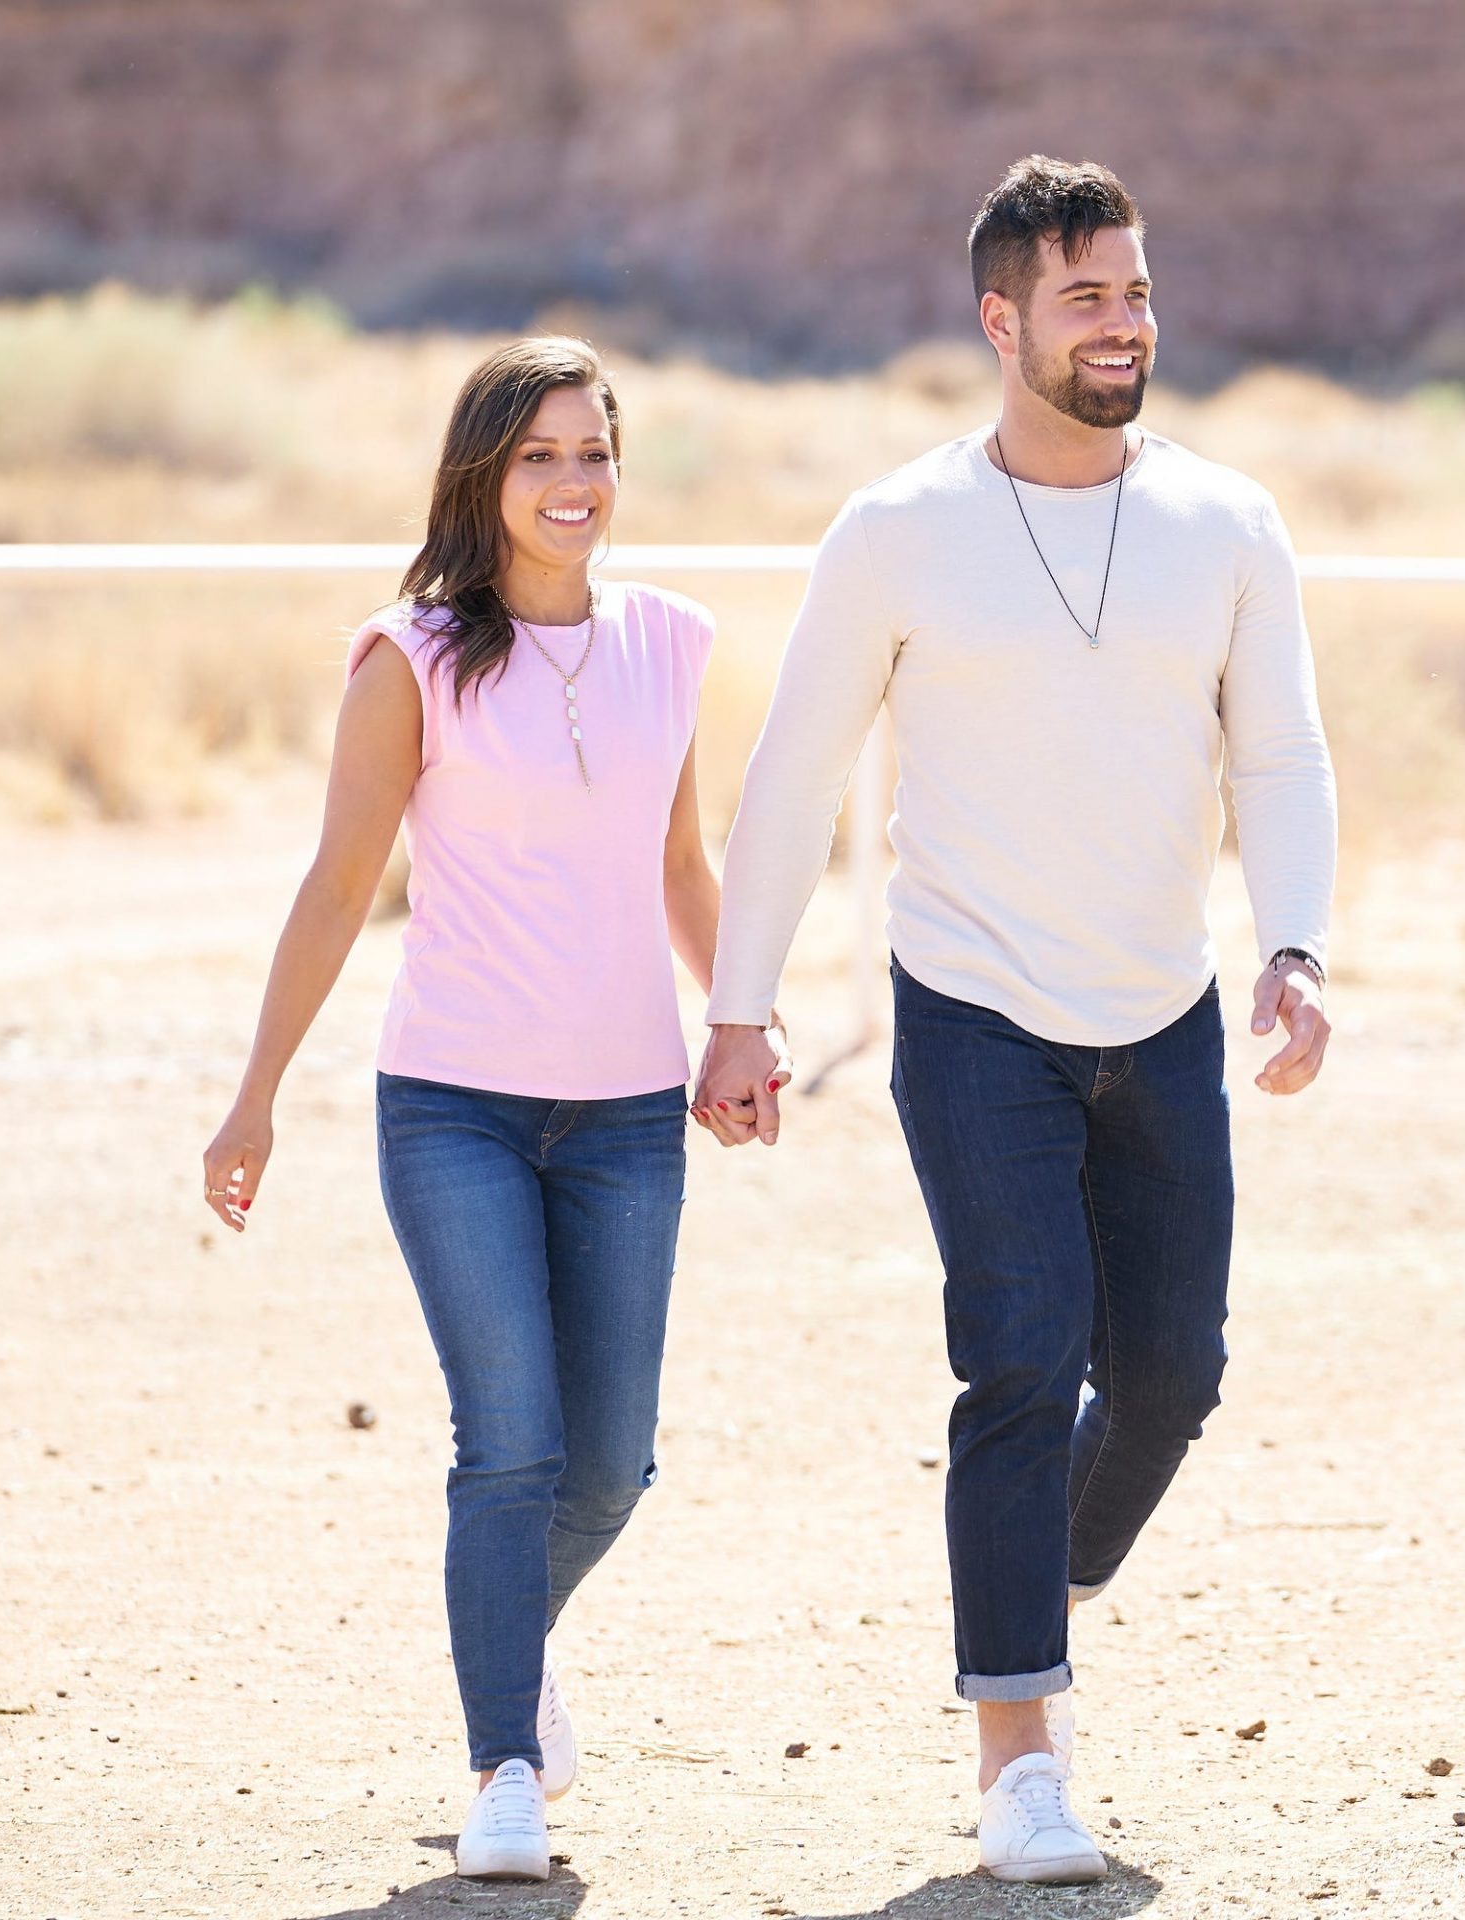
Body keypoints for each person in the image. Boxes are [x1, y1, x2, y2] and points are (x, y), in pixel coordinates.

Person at [693, 156, 1337, 1884]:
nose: (1122, 323)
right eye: (1084, 298)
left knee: (1172, 1372)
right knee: (1020, 1348)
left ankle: (1023, 1583)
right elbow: (794, 776)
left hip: (1167, 1008)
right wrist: (739, 1012)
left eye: (1133, 291)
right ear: (1000, 322)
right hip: (971, 1009)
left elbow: (1277, 754)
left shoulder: (1229, 522)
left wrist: (1299, 946)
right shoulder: (900, 530)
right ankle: (1020, 1759)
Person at [199, 335, 787, 1884]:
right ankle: (504, 1766)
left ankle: (502, 1641)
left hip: (627, 1116)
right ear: (484, 475)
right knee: (509, 1446)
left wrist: (744, 1026)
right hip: (453, 1105)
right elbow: (338, 887)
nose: (574, 483)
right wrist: (255, 1095)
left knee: (610, 1467)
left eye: (595, 452)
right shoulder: (414, 657)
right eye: (540, 456)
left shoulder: (669, 642)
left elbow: (680, 867)